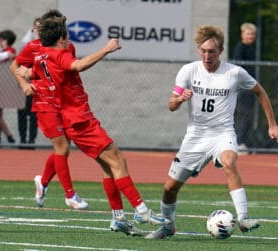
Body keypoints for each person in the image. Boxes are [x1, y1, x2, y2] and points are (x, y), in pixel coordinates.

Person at [15, 10, 170, 236]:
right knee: (118, 160)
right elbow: (78, 65)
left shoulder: (41, 56)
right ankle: (142, 210)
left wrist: (26, 75)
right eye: (66, 34)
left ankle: (118, 218)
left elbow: (25, 70)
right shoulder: (60, 54)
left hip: (71, 120)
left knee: (108, 168)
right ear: (61, 37)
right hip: (80, 120)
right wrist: (106, 49)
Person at [145, 25, 278, 239]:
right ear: (198, 50)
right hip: (195, 136)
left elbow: (260, 92)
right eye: (203, 50)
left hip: (223, 133)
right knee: (170, 188)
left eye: (211, 51)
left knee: (229, 162)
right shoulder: (188, 70)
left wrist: (272, 124)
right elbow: (171, 104)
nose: (206, 55)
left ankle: (243, 217)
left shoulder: (234, 73)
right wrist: (179, 100)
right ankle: (167, 226)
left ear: (220, 51)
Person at [11, 10, 88, 210]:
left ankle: (43, 182)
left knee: (62, 149)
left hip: (63, 104)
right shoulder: (32, 47)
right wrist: (24, 84)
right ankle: (70, 195)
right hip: (44, 103)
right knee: (62, 148)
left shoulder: (67, 46)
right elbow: (15, 66)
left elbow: (67, 72)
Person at [233, 22, 257, 152]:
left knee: (247, 115)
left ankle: (242, 141)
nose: (251, 36)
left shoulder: (251, 49)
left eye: (253, 34)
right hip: (242, 88)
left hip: (250, 87)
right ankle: (238, 142)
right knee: (242, 114)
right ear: (242, 34)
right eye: (248, 34)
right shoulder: (240, 48)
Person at [17, 18, 39, 145]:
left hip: (37, 83)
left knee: (34, 114)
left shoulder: (46, 43)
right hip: (25, 82)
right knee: (22, 113)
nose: (37, 30)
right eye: (35, 27)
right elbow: (18, 64)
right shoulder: (26, 43)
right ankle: (22, 140)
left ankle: (31, 140)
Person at [0, 30, 16, 144]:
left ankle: (9, 135)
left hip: (2, 86)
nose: (0, 42)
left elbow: (1, 60)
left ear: (6, 40)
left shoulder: (10, 51)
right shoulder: (3, 52)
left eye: (2, 40)